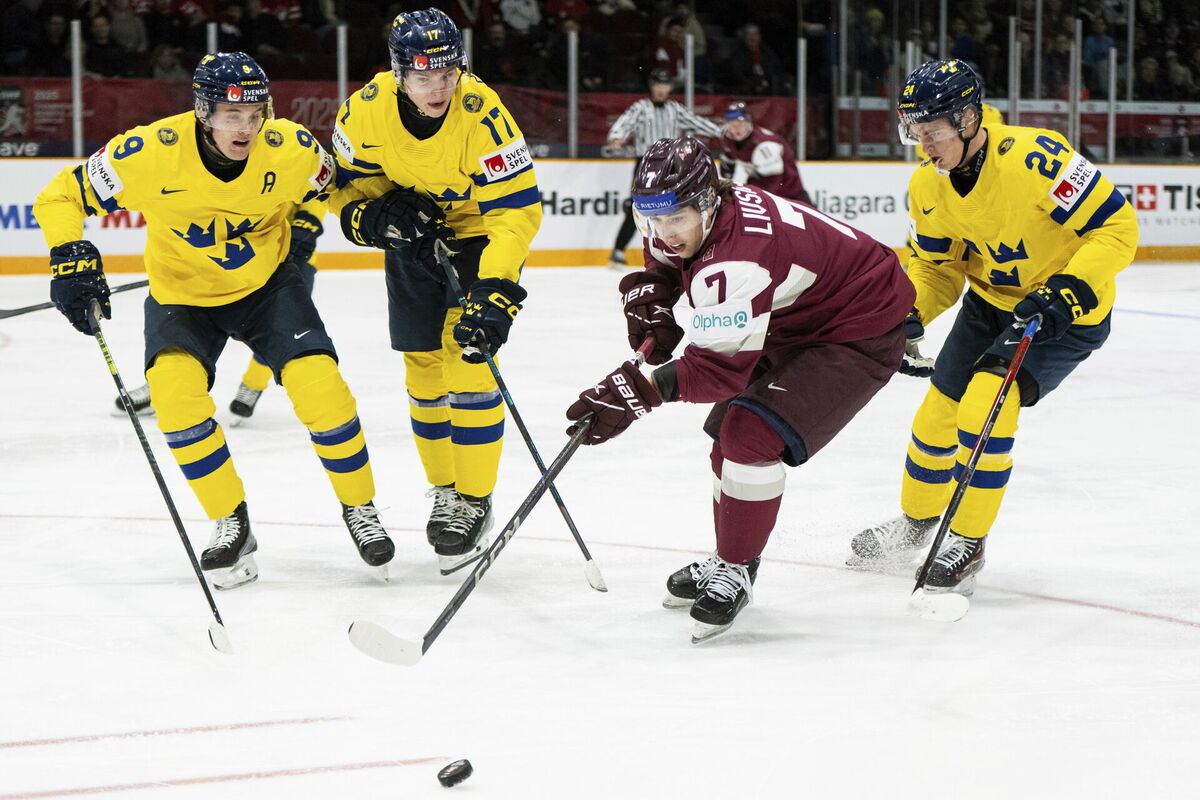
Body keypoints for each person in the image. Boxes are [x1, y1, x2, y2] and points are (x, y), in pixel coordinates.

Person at [34, 51, 395, 589]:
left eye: (255, 115)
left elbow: (339, 186)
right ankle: (232, 520)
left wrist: (369, 214)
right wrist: (70, 255)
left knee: (323, 391)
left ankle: (360, 508)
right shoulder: (147, 152)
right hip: (183, 295)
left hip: (267, 287)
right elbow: (61, 194)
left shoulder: (290, 146)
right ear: (203, 111)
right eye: (232, 116)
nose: (246, 128)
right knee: (176, 403)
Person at [565, 136, 915, 641]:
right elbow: (663, 254)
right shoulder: (698, 216)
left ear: (708, 204)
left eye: (676, 219)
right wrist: (655, 296)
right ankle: (733, 555)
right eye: (652, 219)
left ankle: (736, 565)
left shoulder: (737, 261)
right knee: (727, 434)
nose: (663, 233)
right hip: (797, 314)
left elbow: (717, 371)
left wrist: (637, 391)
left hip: (857, 326)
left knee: (750, 434)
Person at [848, 59, 1138, 599]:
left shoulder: (1037, 157)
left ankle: (967, 540)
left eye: (931, 130)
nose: (922, 143)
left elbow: (1118, 227)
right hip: (990, 306)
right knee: (937, 417)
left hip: (1064, 311)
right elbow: (938, 268)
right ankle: (916, 524)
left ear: (967, 117)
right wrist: (909, 311)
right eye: (914, 130)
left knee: (985, 406)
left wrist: (1068, 289)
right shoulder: (926, 186)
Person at [326, 8, 542, 574]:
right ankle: (445, 489)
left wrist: (495, 288)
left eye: (448, 73)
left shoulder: (482, 113)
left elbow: (516, 212)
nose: (440, 87)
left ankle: (473, 498)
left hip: (476, 239)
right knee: (423, 367)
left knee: (466, 359)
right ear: (397, 73)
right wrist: (374, 217)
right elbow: (343, 187)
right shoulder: (364, 112)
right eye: (424, 76)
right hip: (415, 241)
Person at [113, 198, 327, 426]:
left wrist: (307, 222)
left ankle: (252, 385)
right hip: (222, 253)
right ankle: (163, 385)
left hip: (281, 252)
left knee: (282, 328)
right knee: (185, 323)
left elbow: (313, 185)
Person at [604, 69, 722, 270]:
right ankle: (618, 251)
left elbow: (696, 122)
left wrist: (721, 132)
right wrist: (617, 136)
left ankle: (673, 251)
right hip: (647, 165)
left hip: (674, 165)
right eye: (658, 85)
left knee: (675, 208)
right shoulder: (641, 107)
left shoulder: (674, 109)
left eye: (665, 85)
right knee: (641, 208)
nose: (661, 89)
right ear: (652, 86)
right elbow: (625, 122)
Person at [719, 101, 810, 204]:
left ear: (749, 123)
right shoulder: (728, 138)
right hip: (759, 187)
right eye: (732, 124)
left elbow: (773, 183)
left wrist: (756, 201)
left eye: (740, 124)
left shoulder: (764, 145)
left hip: (790, 195)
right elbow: (727, 168)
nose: (736, 129)